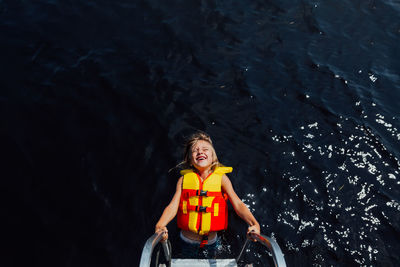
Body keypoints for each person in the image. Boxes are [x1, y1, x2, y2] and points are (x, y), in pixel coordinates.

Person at [155, 132, 260, 258]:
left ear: (212, 157)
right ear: (189, 158)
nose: (200, 152)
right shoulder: (183, 180)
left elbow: (237, 204)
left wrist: (254, 223)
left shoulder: (222, 179)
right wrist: (160, 225)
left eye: (205, 149)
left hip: (212, 241)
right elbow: (173, 206)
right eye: (195, 151)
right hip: (187, 240)